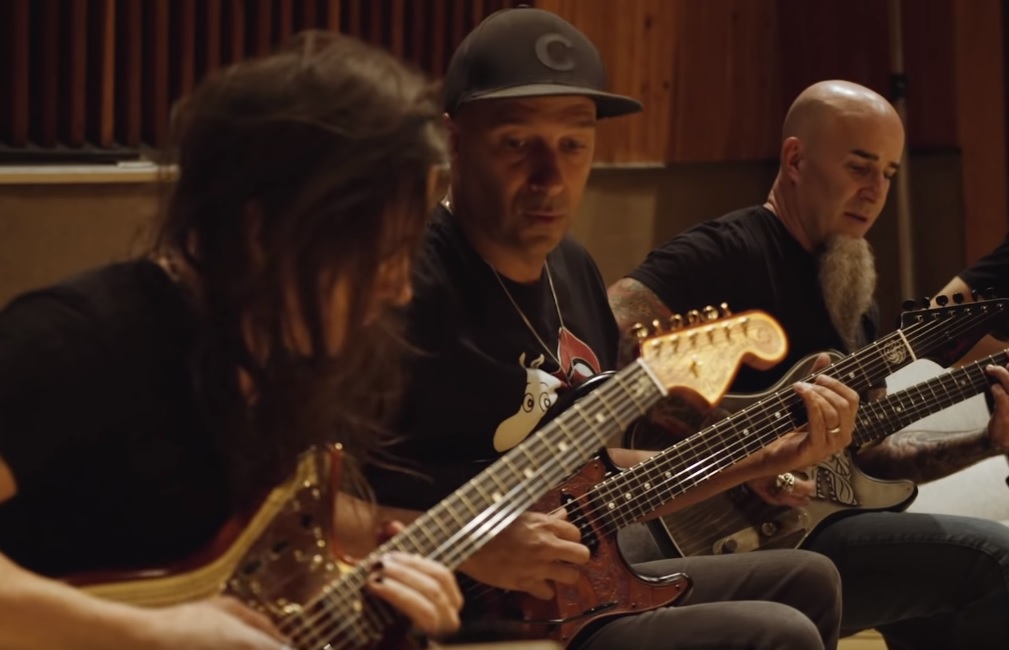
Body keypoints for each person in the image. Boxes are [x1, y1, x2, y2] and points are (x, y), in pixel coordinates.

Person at [365, 8, 861, 650]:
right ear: (454, 141)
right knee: (778, 633)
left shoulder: (571, 269)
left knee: (810, 580)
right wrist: (472, 545)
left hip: (575, 587)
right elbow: (318, 507)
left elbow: (593, 478)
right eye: (517, 144)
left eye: (573, 145)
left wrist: (755, 461)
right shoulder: (399, 289)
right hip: (461, 613)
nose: (551, 178)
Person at [0, 31, 463, 649]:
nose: (401, 290)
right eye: (378, 257)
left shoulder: (281, 372)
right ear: (263, 232)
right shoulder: (75, 344)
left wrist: (368, 602)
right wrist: (149, 633)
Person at [609, 79, 1009, 649]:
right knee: (995, 560)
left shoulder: (853, 295)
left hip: (816, 526)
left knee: (945, 589)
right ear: (795, 159)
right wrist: (739, 456)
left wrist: (987, 443)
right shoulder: (727, 252)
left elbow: (873, 461)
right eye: (859, 168)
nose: (876, 191)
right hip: (712, 538)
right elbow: (601, 339)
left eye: (889, 175)